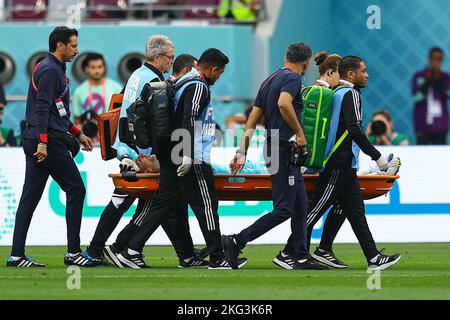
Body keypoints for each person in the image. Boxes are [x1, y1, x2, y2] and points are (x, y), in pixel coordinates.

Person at [113, 48, 247, 270]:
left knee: (162, 204)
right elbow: (189, 117)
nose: (218, 77)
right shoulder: (198, 85)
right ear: (213, 69)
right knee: (206, 205)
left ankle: (131, 250)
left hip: (172, 153)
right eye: (219, 73)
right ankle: (217, 257)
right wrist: (186, 153)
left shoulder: (182, 82)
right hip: (191, 156)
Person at [88, 43, 207, 268]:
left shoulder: (137, 75)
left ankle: (183, 253)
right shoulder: (154, 82)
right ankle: (109, 249)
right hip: (141, 152)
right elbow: (156, 121)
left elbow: (123, 106)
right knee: (153, 203)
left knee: (153, 203)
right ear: (159, 56)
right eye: (169, 57)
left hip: (127, 146)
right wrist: (154, 154)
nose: (171, 62)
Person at [277, 56, 402, 270]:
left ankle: (372, 257)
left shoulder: (336, 93)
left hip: (342, 163)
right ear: (351, 74)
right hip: (339, 163)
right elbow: (354, 128)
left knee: (355, 210)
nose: (367, 75)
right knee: (316, 209)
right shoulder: (351, 94)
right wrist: (377, 156)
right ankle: (288, 252)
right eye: (363, 71)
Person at [221, 43, 327, 270]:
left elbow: (253, 118)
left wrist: (242, 151)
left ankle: (300, 256)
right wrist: (300, 133)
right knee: (284, 208)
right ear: (306, 63)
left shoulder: (269, 80)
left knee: (301, 206)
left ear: (286, 56)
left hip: (273, 147)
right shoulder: (292, 79)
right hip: (283, 149)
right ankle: (237, 240)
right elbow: (283, 103)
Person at [7, 26, 94, 268]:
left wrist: (78, 133)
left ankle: (16, 255)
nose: (77, 50)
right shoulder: (50, 71)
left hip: (37, 138)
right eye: (74, 46)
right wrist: (44, 143)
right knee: (76, 189)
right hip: (46, 141)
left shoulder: (55, 69)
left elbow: (58, 111)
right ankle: (74, 252)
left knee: (29, 199)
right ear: (60, 46)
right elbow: (42, 108)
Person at [71, 53, 122, 126]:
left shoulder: (116, 87)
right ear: (86, 69)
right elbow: (77, 120)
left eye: (99, 67)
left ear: (104, 68)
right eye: (93, 67)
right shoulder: (79, 91)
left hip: (111, 133)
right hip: (89, 135)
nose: (97, 70)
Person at [412, 47, 450, 145]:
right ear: (429, 58)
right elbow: (416, 98)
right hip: (422, 124)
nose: (436, 62)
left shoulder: (445, 77)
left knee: (440, 155)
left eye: (439, 59)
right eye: (434, 58)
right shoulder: (419, 76)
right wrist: (427, 82)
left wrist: (440, 82)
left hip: (440, 124)